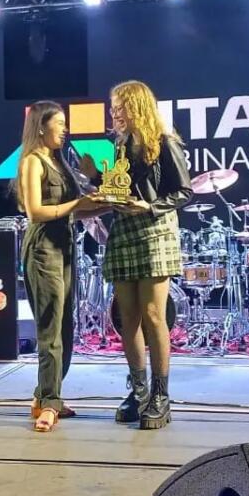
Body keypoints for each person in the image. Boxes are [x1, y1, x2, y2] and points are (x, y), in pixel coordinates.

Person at [82, 80, 192, 430]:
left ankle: (161, 396)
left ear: (137, 106)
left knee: (153, 315)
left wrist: (150, 206)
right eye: (113, 106)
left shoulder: (164, 141)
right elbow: (121, 190)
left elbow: (184, 191)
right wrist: (96, 178)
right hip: (125, 229)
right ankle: (139, 391)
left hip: (155, 229)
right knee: (126, 317)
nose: (114, 112)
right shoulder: (118, 145)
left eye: (120, 106)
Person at [14, 102, 102, 433]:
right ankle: (50, 402)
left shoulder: (59, 162)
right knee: (50, 330)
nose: (65, 130)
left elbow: (72, 212)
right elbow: (36, 211)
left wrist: (108, 205)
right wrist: (78, 203)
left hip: (65, 248)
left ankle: (44, 396)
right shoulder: (32, 162)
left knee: (66, 328)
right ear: (41, 126)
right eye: (59, 123)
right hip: (43, 250)